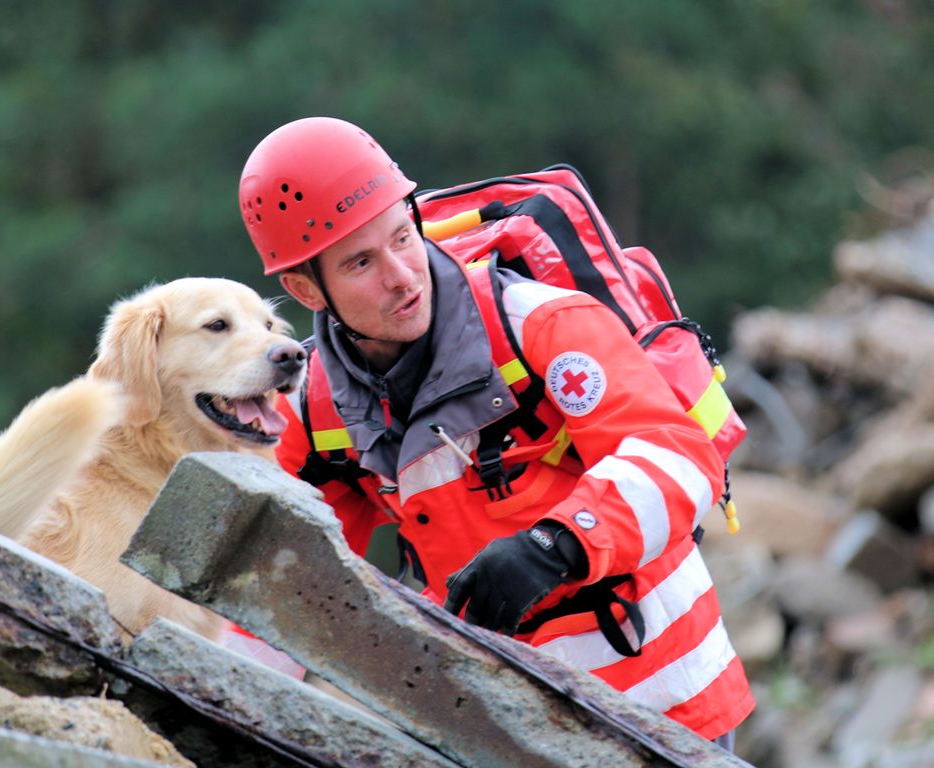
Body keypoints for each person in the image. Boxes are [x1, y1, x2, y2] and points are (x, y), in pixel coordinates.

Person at [238, 116, 753, 748]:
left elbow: (678, 458)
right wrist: (234, 703)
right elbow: (287, 578)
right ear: (303, 289)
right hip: (504, 726)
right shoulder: (316, 410)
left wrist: (555, 545)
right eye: (361, 263)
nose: (401, 274)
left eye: (403, 237)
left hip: (664, 698)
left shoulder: (538, 324)